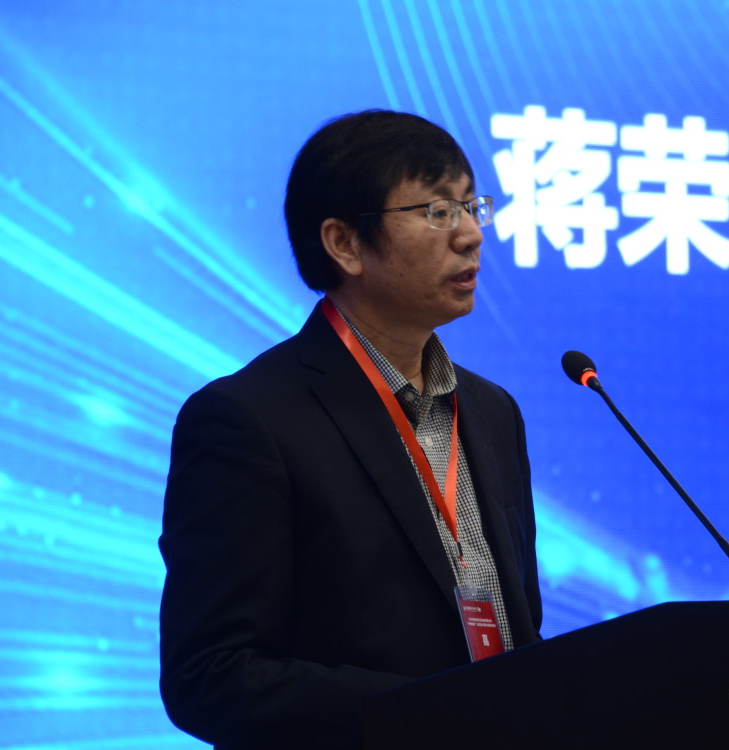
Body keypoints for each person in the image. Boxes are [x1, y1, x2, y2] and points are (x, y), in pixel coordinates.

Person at [158, 110, 542, 749]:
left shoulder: (493, 411)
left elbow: (518, 632)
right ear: (344, 244)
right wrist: (436, 714)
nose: (471, 234)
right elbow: (212, 675)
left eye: (471, 205)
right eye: (437, 211)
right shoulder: (248, 419)